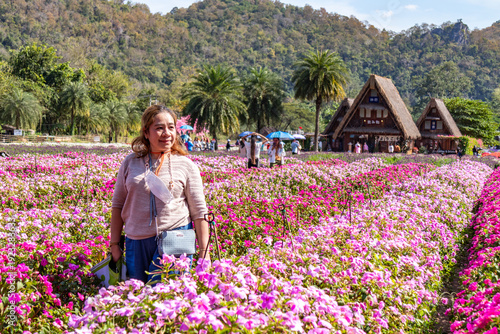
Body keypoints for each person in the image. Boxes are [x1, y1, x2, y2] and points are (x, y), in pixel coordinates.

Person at [110, 105, 210, 284]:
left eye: (171, 127)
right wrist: (114, 244)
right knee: (139, 299)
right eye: (159, 128)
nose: (166, 133)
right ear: (146, 132)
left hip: (175, 238)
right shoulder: (130, 162)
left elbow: (200, 212)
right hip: (136, 241)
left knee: (164, 298)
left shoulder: (186, 165)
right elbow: (118, 204)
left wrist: (204, 253)